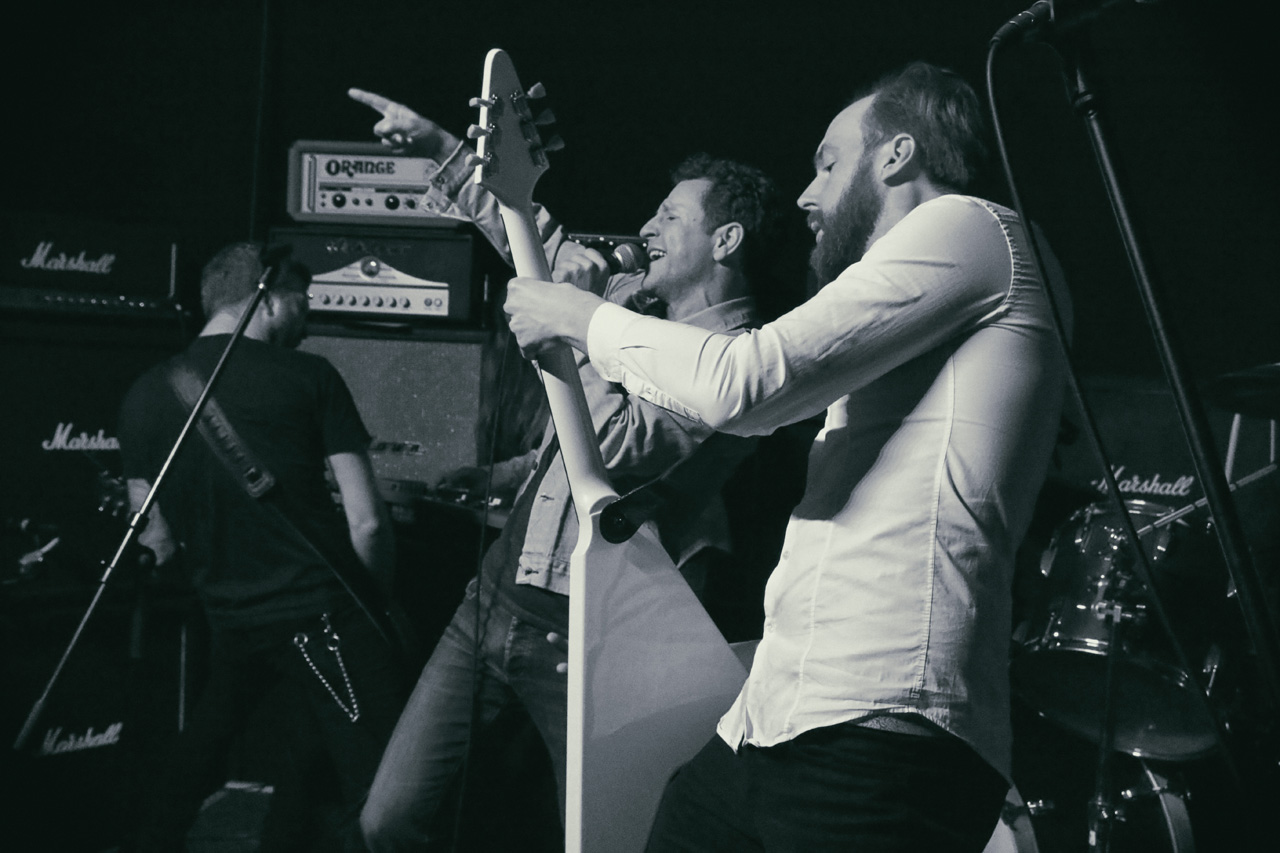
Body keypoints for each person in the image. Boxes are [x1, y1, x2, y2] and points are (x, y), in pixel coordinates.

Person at [503, 61, 1073, 851]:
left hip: (883, 734)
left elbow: (745, 382)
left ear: (898, 155)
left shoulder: (969, 227)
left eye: (828, 164)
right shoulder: (924, 294)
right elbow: (723, 395)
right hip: (778, 721)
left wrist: (579, 317)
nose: (807, 194)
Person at [346, 90, 791, 851]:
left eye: (670, 218)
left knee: (603, 839)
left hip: (589, 641)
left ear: (726, 239)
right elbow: (527, 236)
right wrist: (438, 145)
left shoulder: (734, 364)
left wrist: (575, 324)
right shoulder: (627, 302)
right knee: (387, 818)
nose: (646, 228)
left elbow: (612, 448)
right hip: (493, 598)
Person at [117, 242, 406, 852]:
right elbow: (368, 522)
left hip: (229, 618)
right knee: (382, 780)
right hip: (324, 618)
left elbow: (155, 537)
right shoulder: (310, 376)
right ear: (268, 298)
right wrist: (371, 605)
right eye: (303, 301)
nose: (309, 316)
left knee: (204, 753)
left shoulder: (143, 393)